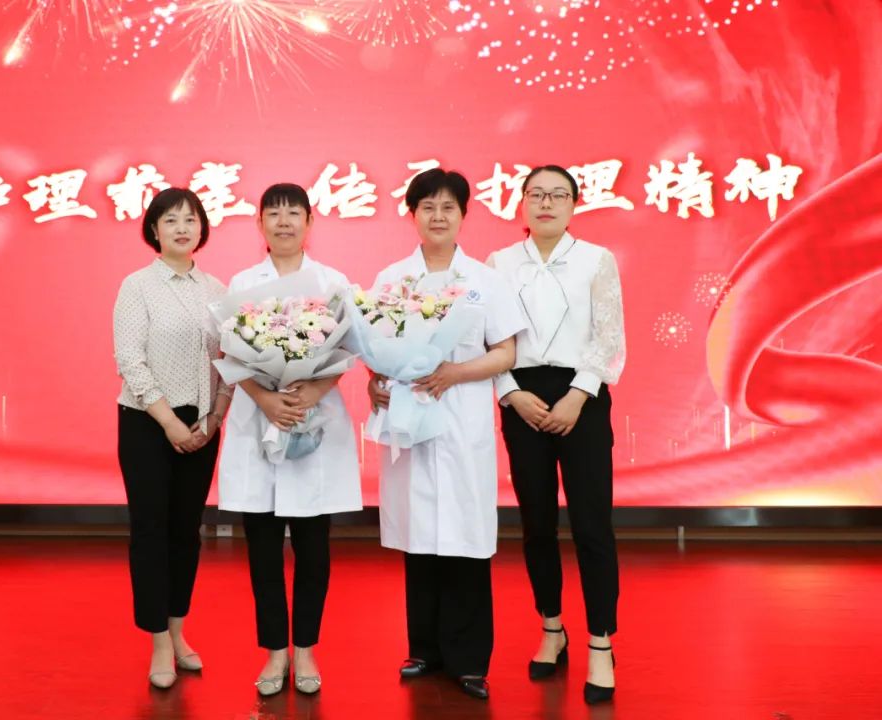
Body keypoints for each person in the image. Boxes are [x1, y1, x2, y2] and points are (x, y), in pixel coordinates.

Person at [367, 168, 524, 700]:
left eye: (448, 207)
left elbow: (506, 353)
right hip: (411, 419)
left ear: (463, 215)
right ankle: (424, 650)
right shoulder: (392, 278)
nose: (438, 216)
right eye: (427, 207)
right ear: (412, 214)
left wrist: (455, 372)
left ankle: (469, 660)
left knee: (466, 539)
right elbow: (374, 349)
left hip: (462, 420)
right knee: (420, 537)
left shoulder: (484, 280)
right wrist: (375, 381)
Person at [486, 164, 626, 705]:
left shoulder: (596, 259)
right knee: (537, 525)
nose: (546, 203)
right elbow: (487, 339)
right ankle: (551, 627)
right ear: (521, 203)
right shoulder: (499, 264)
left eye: (558, 195)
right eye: (536, 194)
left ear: (573, 204)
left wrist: (578, 395)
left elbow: (609, 336)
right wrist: (510, 392)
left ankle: (601, 643)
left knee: (592, 526)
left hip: (582, 398)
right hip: (522, 397)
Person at [217, 183, 362, 696]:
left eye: (293, 213)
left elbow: (348, 350)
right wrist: (265, 399)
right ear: (259, 223)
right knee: (261, 549)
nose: (283, 221)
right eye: (273, 213)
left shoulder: (332, 282)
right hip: (259, 420)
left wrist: (311, 391)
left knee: (313, 547)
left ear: (309, 222)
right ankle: (275, 652)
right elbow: (231, 354)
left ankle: (305, 649)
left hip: (312, 422)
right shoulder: (242, 283)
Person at [113, 187, 231, 689]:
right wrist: (169, 422)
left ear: (202, 228)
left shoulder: (217, 290)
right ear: (154, 231)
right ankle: (158, 641)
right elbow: (130, 359)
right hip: (147, 421)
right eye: (170, 220)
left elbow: (229, 361)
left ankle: (179, 632)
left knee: (186, 532)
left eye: (190, 219)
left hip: (203, 425)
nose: (182, 228)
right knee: (151, 532)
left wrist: (215, 418)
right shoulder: (137, 286)